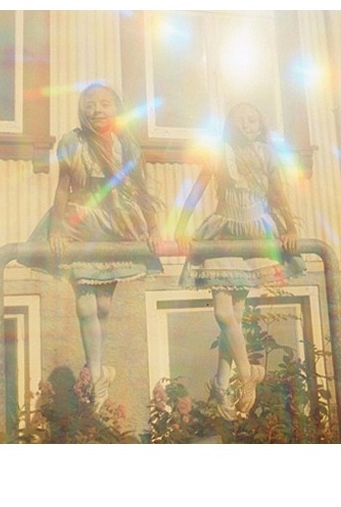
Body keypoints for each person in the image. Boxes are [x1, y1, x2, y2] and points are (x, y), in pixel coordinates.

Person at [22, 83, 163, 414]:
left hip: (117, 225)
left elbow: (140, 190)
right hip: (80, 223)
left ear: (117, 109)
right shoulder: (73, 143)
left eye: (104, 103)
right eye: (90, 104)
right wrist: (57, 228)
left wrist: (154, 227)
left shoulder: (127, 146)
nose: (97, 110)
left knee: (102, 305)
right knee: (85, 305)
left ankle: (98, 366)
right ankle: (97, 373)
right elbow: (63, 187)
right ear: (81, 110)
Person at [174, 102, 305, 420]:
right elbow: (197, 189)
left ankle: (221, 383)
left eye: (253, 120)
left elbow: (277, 194)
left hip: (256, 232)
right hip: (224, 231)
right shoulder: (220, 152)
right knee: (223, 312)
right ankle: (247, 373)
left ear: (261, 126)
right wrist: (180, 225)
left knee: (234, 314)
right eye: (240, 121)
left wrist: (290, 227)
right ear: (230, 126)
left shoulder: (266, 154)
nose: (247, 125)